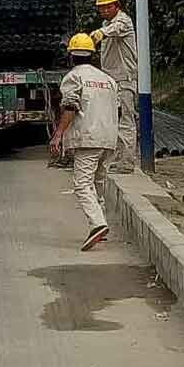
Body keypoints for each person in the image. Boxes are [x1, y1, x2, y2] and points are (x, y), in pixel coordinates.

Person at [49, 33, 119, 252]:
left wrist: (58, 133)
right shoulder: (108, 80)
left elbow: (70, 107)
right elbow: (119, 109)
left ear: (71, 56)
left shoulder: (73, 78)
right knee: (98, 182)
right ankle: (101, 221)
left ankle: (97, 224)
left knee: (82, 184)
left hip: (87, 138)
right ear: (92, 55)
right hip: (108, 138)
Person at [91, 0, 138, 173]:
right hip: (111, 79)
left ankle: (126, 163)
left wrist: (101, 34)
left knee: (126, 121)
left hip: (124, 78)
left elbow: (116, 29)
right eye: (101, 7)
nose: (104, 10)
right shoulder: (105, 25)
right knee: (113, 121)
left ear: (116, 5)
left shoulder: (123, 22)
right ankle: (118, 159)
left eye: (107, 6)